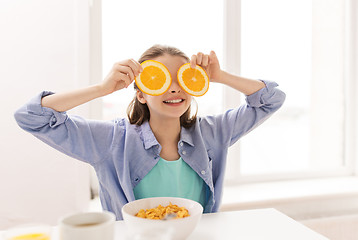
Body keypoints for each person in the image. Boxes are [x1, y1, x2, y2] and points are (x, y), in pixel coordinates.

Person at [14, 44, 285, 220]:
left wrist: (221, 76)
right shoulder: (111, 140)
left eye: (182, 79)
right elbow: (31, 117)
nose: (175, 88)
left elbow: (271, 99)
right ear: (141, 94)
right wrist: (102, 88)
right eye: (161, 80)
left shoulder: (213, 133)